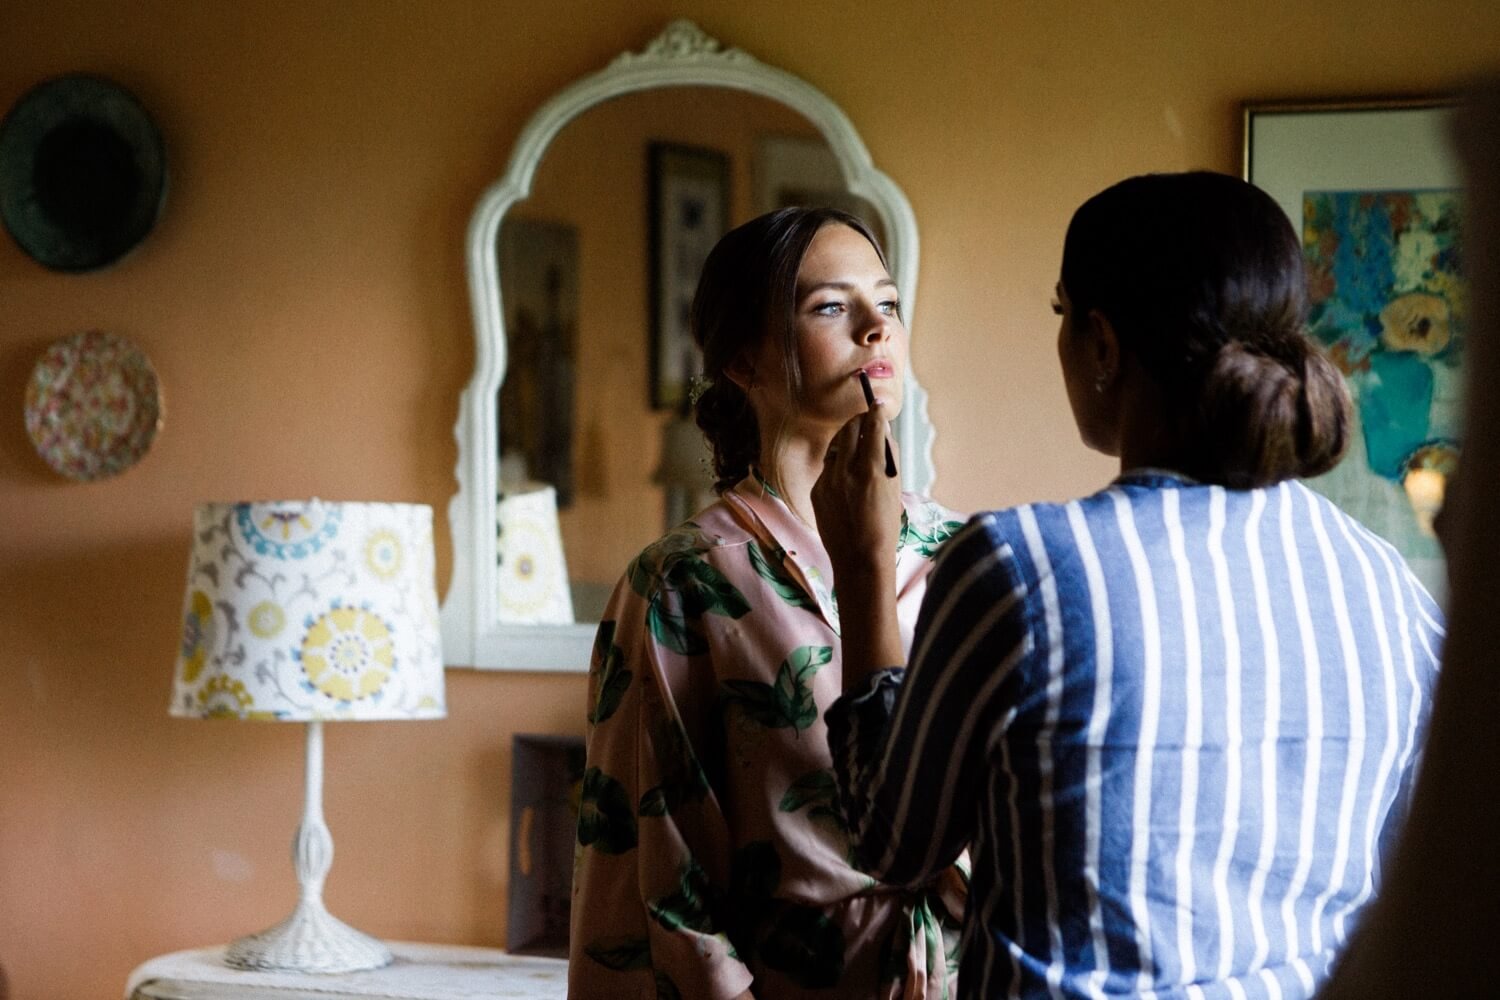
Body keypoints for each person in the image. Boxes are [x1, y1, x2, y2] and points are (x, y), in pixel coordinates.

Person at [815, 171, 1444, 999]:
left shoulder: (1021, 568)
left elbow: (894, 843)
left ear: (1103, 345)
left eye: (1061, 313)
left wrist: (863, 570)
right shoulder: (1390, 591)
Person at [569, 206, 969, 999]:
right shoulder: (684, 582)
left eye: (886, 304)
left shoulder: (961, 554)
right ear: (744, 361)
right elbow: (663, 871)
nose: (875, 330)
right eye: (830, 307)